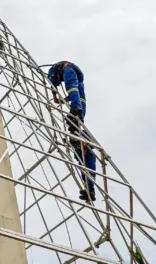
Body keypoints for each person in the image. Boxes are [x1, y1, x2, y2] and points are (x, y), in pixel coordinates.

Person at [47, 61, 96, 203]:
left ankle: (76, 110)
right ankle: (89, 190)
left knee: (73, 89)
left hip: (68, 68)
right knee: (79, 96)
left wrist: (55, 97)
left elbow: (53, 85)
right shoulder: (83, 154)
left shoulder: (53, 72)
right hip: (77, 75)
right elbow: (74, 90)